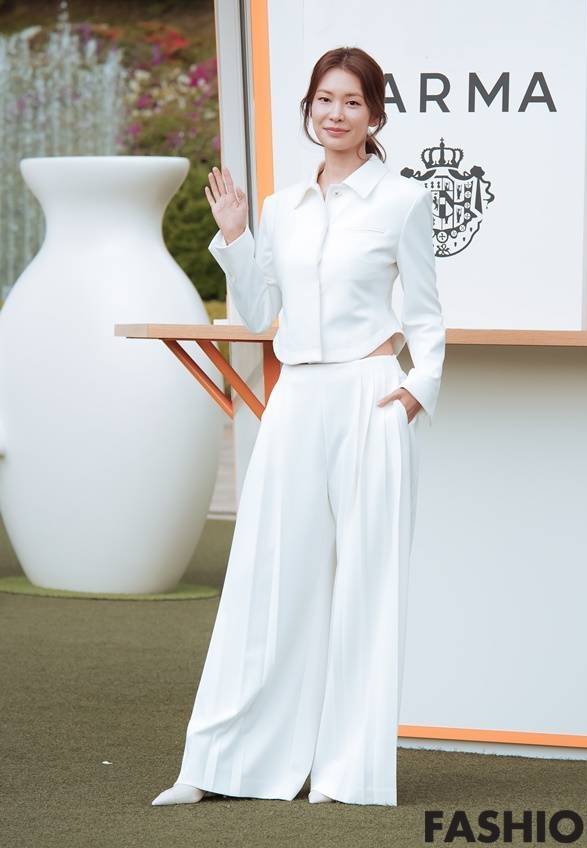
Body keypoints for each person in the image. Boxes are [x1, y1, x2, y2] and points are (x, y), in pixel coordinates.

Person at [151, 45, 445, 809]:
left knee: (367, 584)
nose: (335, 114)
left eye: (352, 102)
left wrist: (418, 390)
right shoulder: (281, 208)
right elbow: (257, 313)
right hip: (296, 401)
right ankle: (224, 765)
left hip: (370, 396)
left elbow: (426, 315)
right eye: (324, 100)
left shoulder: (402, 201)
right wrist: (237, 236)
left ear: (374, 115)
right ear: (309, 109)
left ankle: (347, 774)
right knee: (266, 577)